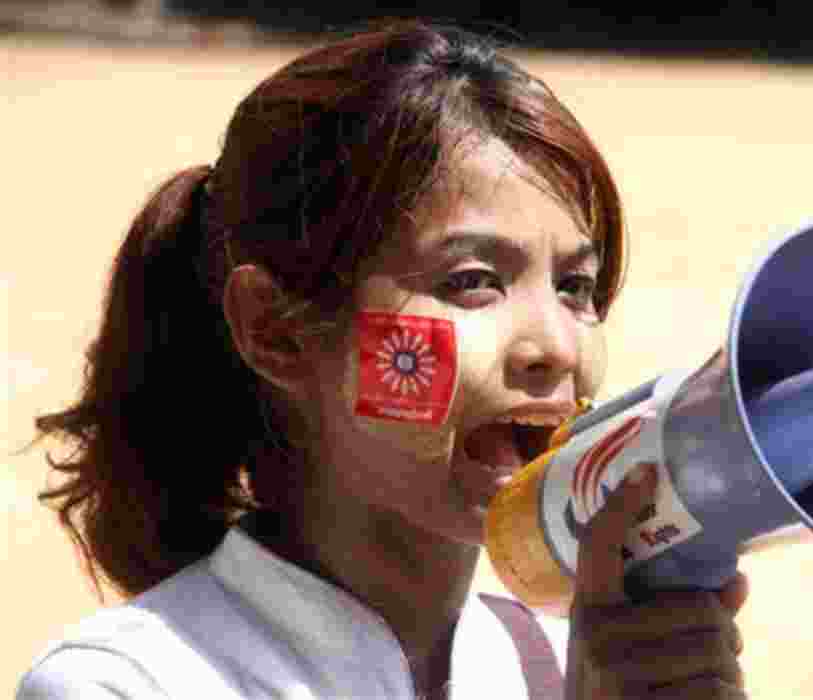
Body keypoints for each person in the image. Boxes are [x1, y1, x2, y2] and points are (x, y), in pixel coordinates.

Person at [19, 20, 749, 699]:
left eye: (576, 287)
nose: (557, 348)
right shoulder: (127, 682)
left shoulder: (560, 658)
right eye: (471, 282)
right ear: (275, 329)